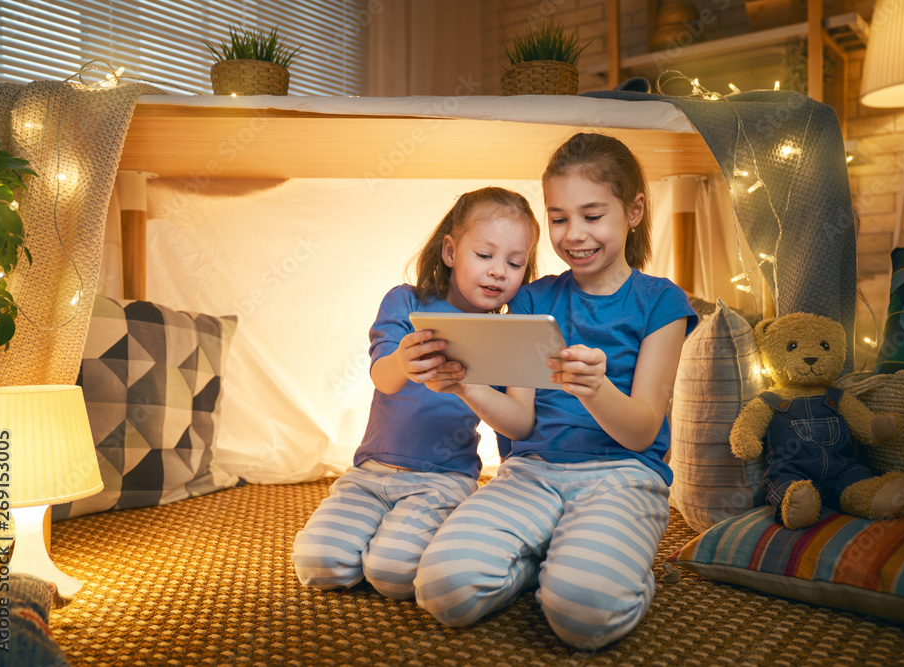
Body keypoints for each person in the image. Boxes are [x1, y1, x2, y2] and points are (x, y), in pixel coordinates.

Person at [414, 133, 698, 649]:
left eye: (592, 215)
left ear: (633, 211)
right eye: (559, 218)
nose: (574, 235)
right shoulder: (531, 299)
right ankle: (546, 558)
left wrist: (595, 390)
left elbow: (642, 432)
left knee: (582, 617)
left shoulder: (662, 302)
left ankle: (622, 573)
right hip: (532, 472)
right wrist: (465, 385)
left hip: (623, 476)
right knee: (442, 591)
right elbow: (519, 423)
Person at [291, 186, 540, 600]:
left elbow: (515, 422)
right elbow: (382, 377)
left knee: (392, 573)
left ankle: (404, 545)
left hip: (442, 480)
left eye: (515, 263)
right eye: (485, 256)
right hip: (370, 474)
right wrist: (403, 363)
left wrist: (472, 390)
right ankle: (371, 540)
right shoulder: (405, 302)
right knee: (319, 564)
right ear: (450, 252)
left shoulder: (507, 333)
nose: (499, 271)